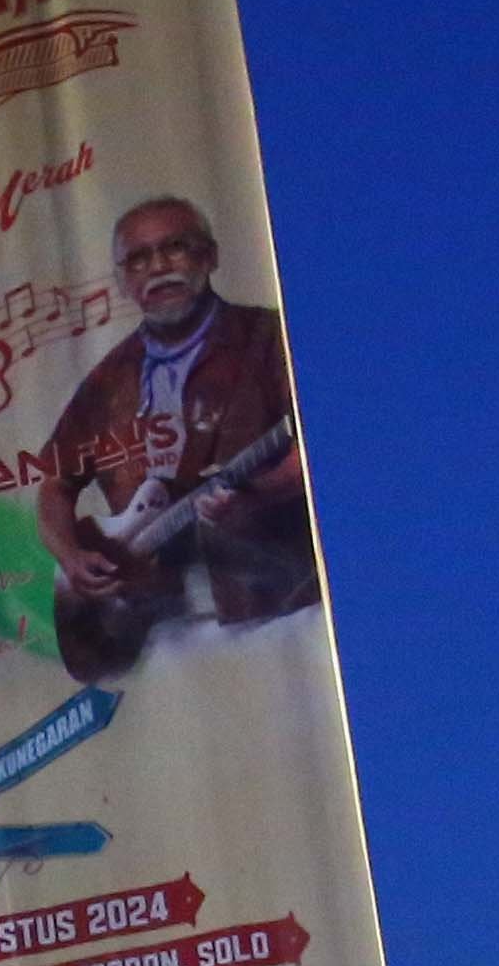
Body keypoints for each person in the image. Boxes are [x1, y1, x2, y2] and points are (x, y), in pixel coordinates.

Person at [41, 196, 319, 680]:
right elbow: (53, 484)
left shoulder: (272, 338)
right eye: (140, 258)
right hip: (165, 640)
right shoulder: (108, 381)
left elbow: (318, 446)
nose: (159, 268)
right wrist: (71, 555)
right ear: (124, 281)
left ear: (209, 256)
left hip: (278, 613)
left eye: (175, 248)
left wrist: (257, 494)